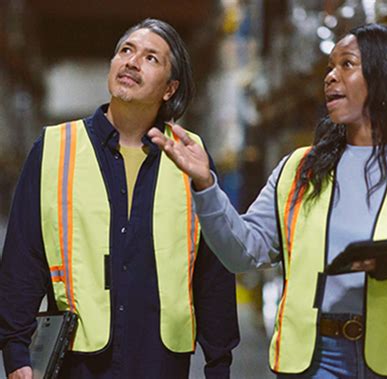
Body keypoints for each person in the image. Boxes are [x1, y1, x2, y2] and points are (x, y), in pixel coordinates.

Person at [149, 23, 387, 378]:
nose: (331, 77)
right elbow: (241, 253)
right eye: (330, 67)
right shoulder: (299, 169)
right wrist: (206, 184)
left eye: (347, 65)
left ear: (386, 76)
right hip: (317, 360)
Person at [0, 18, 239, 379]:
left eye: (150, 58)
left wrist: (218, 362)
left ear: (170, 89)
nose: (131, 61)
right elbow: (23, 254)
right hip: (78, 358)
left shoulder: (190, 156)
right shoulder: (54, 148)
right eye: (125, 50)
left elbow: (211, 268)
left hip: (160, 360)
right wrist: (16, 351)